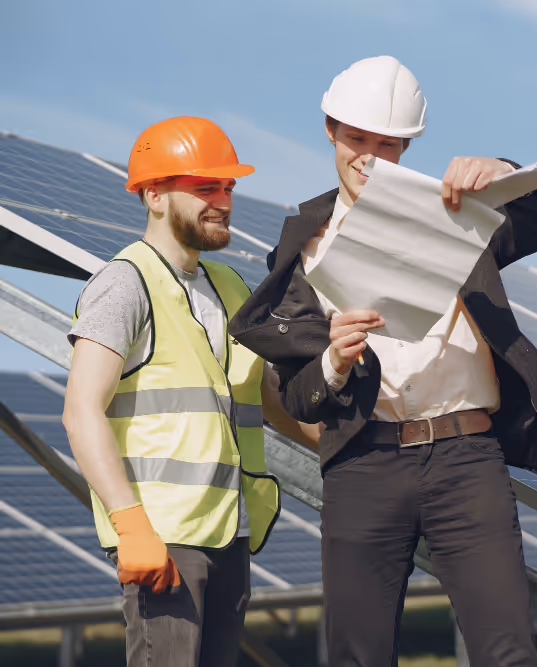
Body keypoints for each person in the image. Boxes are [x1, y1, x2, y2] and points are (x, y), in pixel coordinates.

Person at [231, 56, 537, 666]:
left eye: (388, 145)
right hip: (362, 464)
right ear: (329, 131)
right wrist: (335, 361)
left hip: (466, 458)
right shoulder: (301, 247)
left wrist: (501, 170)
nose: (370, 157)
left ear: (407, 145)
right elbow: (295, 397)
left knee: (507, 653)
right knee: (357, 656)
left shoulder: (455, 212)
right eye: (357, 140)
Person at [62, 116, 321, 667]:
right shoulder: (125, 284)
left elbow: (270, 400)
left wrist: (347, 447)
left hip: (228, 532)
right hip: (163, 535)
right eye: (205, 186)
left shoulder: (229, 287)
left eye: (228, 187)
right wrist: (130, 526)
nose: (223, 200)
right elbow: (81, 411)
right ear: (154, 194)